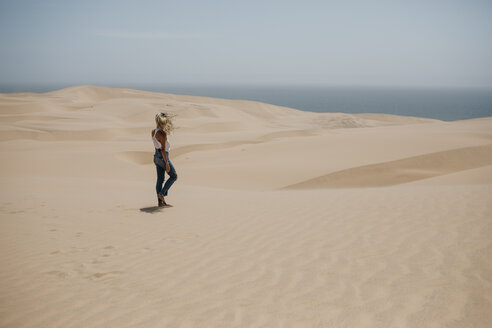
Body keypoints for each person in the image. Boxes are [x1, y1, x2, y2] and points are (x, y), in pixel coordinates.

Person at [152, 112, 178, 207]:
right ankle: (161, 194)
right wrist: (166, 163)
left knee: (160, 179)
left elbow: (157, 146)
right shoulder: (162, 134)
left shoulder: (153, 131)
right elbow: (163, 149)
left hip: (156, 156)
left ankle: (160, 202)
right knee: (174, 176)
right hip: (163, 157)